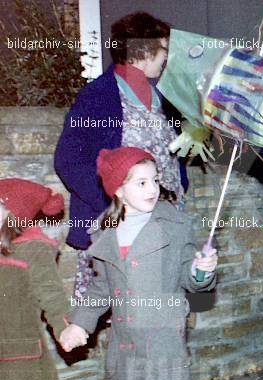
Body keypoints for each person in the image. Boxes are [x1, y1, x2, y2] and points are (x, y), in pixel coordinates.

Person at [59, 147, 217, 380]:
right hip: (126, 341)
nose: (153, 188)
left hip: (161, 338)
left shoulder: (172, 226)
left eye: (155, 180)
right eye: (141, 182)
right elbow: (101, 287)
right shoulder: (107, 232)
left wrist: (203, 270)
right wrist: (79, 324)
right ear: (118, 189)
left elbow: (190, 275)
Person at [54, 11, 189, 297]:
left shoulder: (161, 98)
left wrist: (179, 189)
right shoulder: (99, 97)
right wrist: (111, 204)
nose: (167, 57)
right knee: (122, 310)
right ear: (145, 49)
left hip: (163, 225)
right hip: (119, 229)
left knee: (159, 308)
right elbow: (69, 158)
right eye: (164, 48)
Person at [0, 179, 90, 380]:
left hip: (15, 371)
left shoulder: (31, 249)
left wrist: (66, 327)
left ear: (13, 214)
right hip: (19, 378)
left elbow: (51, 294)